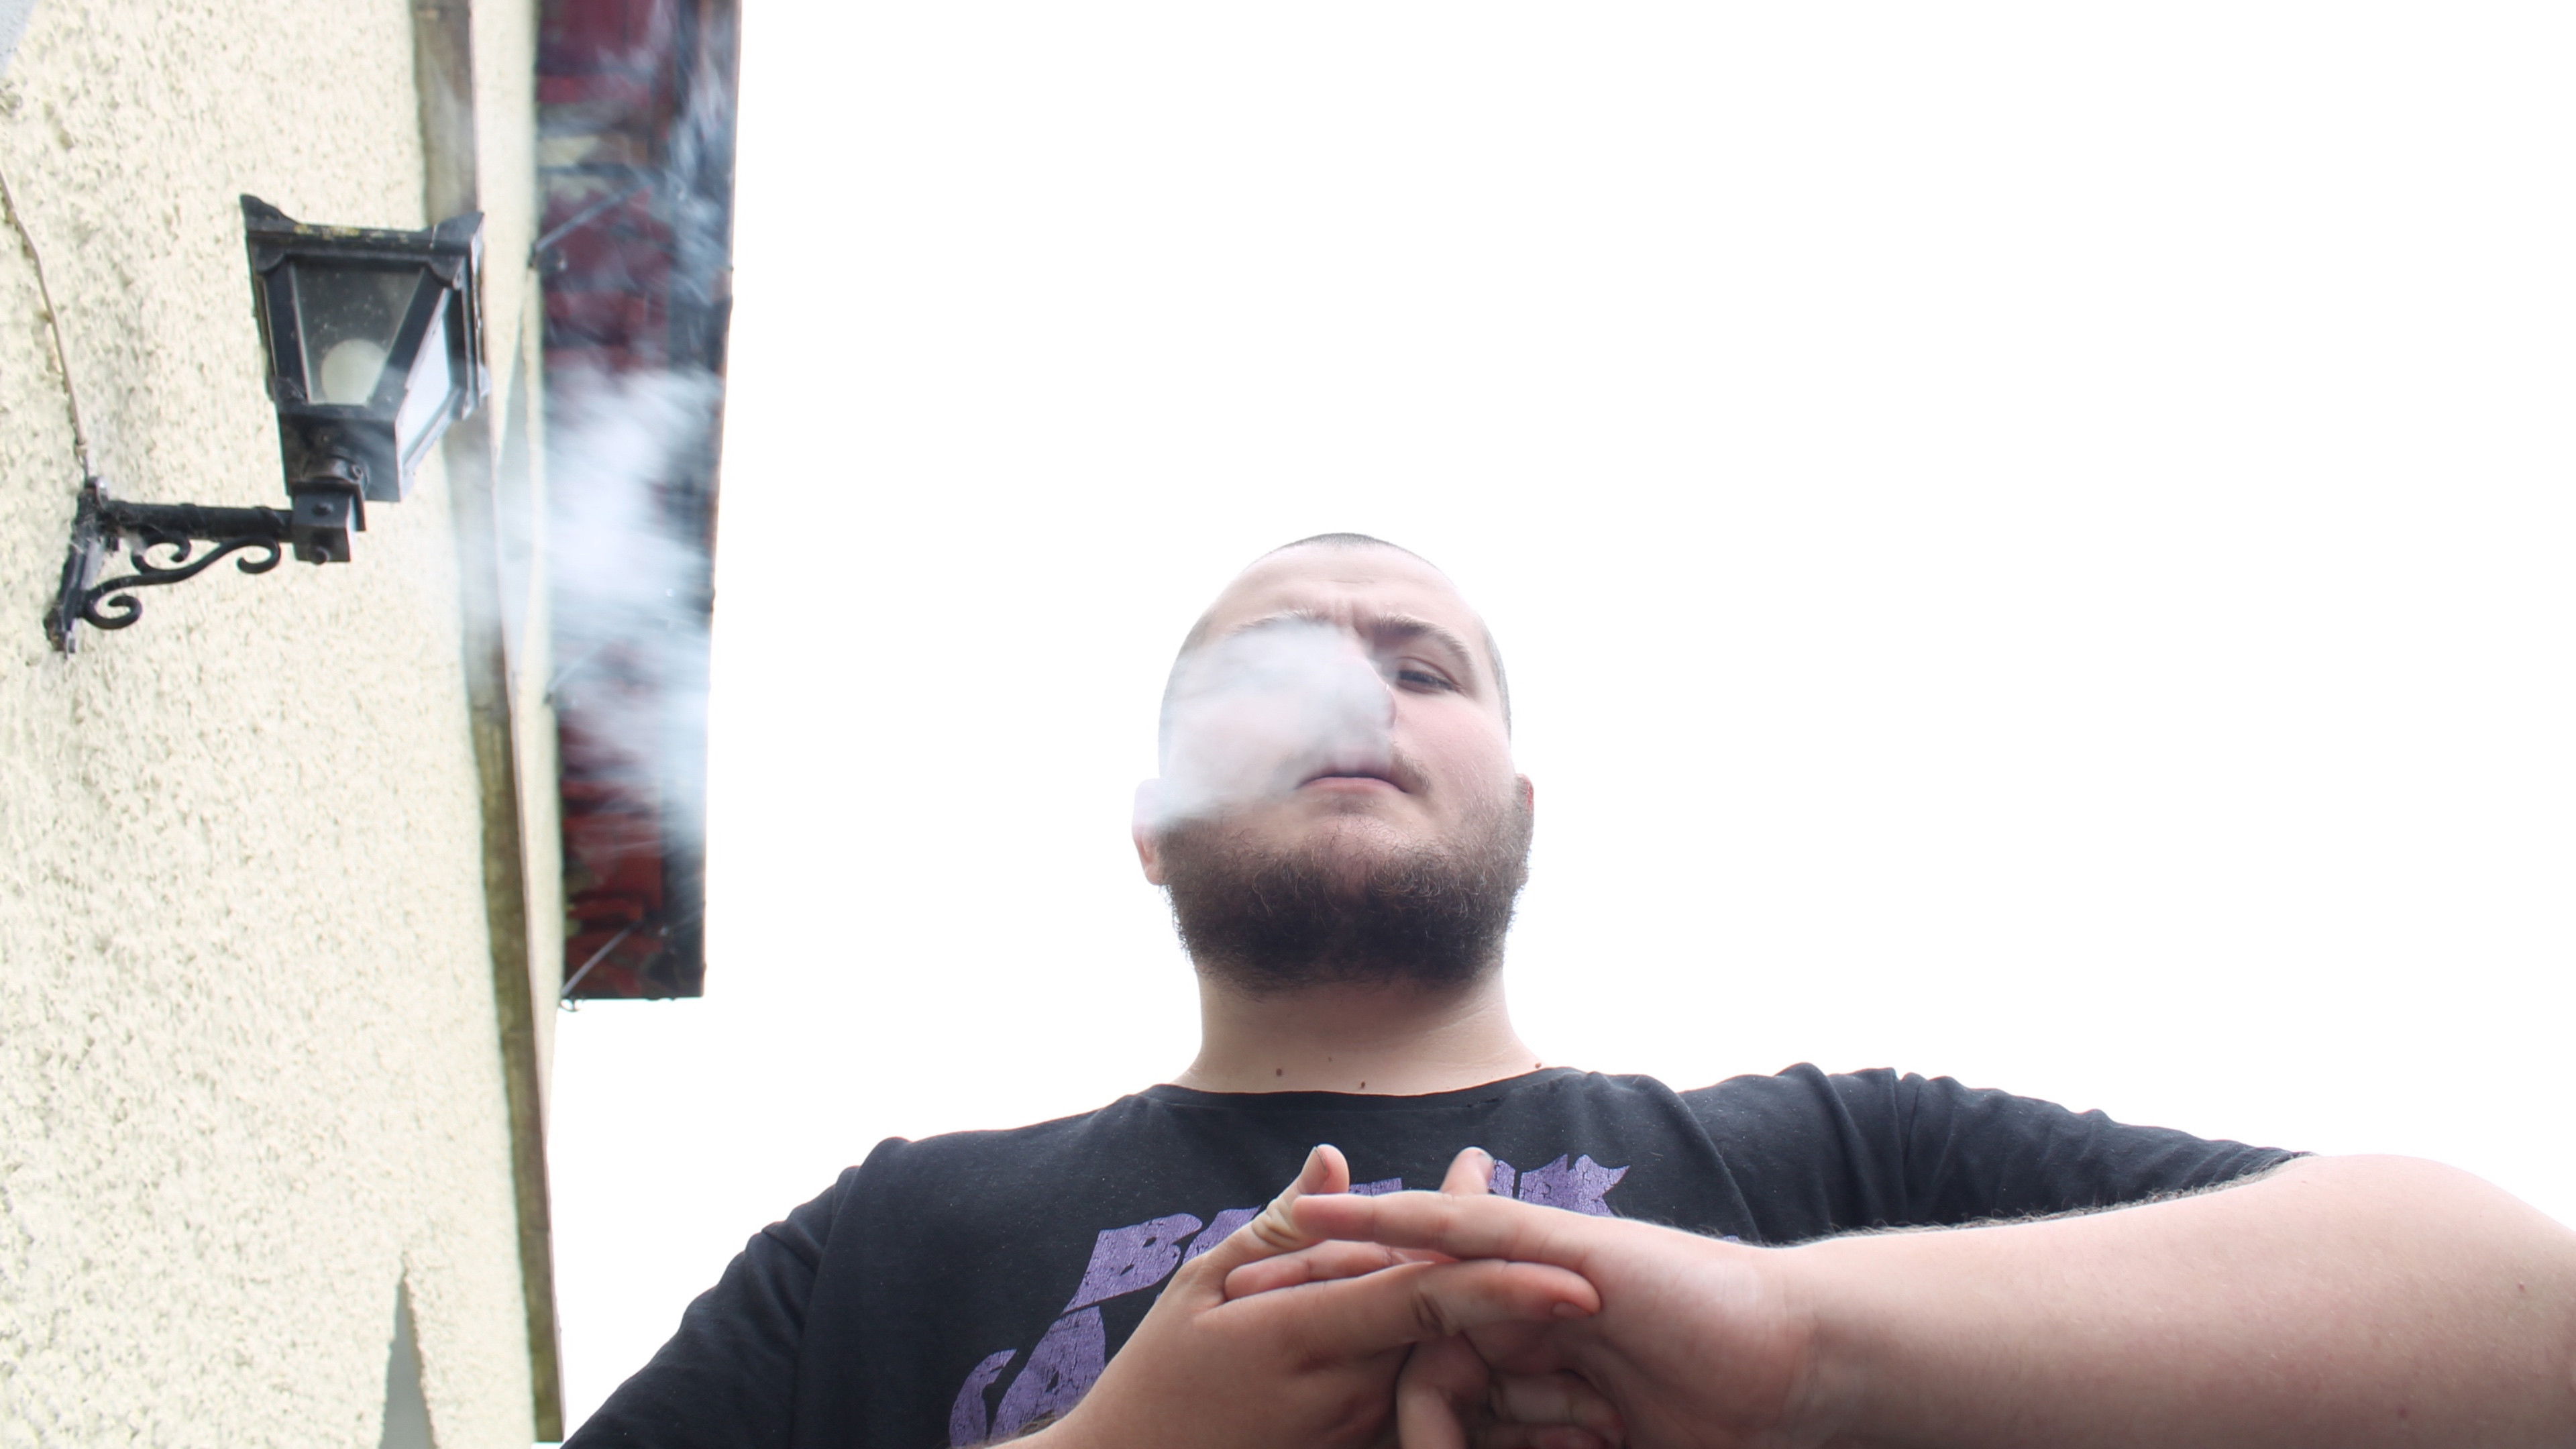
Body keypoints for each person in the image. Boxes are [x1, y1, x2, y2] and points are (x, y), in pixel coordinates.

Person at [566, 533, 2576, 1449]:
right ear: (1152, 825)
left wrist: (1798, 1350)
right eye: (1270, 671)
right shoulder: (886, 1238)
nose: (1353, 694)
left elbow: (2519, 1323)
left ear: (1519, 808)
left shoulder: (1828, 1162)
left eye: (1421, 667)